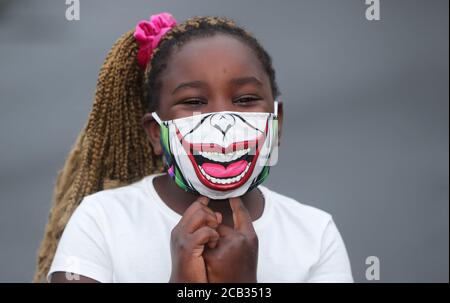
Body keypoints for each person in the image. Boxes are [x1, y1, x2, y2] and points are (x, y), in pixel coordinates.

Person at [34, 13, 353, 283]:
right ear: (156, 134)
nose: (223, 121)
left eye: (244, 100)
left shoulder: (315, 235)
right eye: (194, 102)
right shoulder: (101, 223)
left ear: (277, 123)